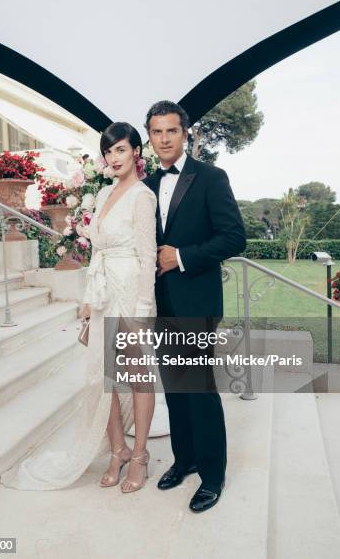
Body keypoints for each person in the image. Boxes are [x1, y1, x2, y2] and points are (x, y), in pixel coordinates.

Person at [0, 122, 157, 493]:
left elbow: (148, 257)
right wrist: (88, 303)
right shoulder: (102, 196)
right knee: (100, 377)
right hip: (102, 290)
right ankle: (116, 451)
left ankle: (139, 455)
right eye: (108, 151)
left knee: (138, 377)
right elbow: (98, 252)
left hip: (131, 288)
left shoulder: (143, 196)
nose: (114, 157)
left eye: (121, 149)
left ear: (136, 152)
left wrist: (142, 309)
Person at [142, 100, 247, 513]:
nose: (164, 139)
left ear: (186, 133)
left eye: (171, 130)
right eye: (156, 132)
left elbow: (234, 237)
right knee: (175, 388)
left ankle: (213, 475)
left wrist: (180, 256)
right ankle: (184, 459)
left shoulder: (211, 177)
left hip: (197, 302)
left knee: (199, 389)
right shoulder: (146, 185)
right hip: (159, 302)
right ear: (148, 137)